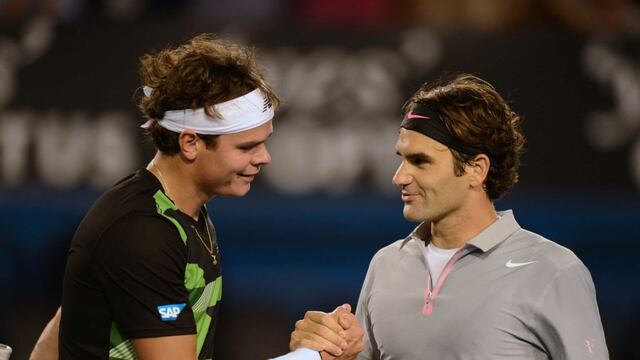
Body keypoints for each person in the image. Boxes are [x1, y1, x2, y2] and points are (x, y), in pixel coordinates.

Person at [30, 34, 364, 360]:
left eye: (264, 142)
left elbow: (69, 320)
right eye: (247, 146)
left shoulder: (178, 214)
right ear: (190, 143)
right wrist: (311, 357)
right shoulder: (142, 233)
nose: (264, 158)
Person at [290, 74, 609, 359]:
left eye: (420, 161)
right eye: (402, 159)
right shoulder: (385, 265)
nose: (400, 177)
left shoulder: (553, 271)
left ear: (475, 169)